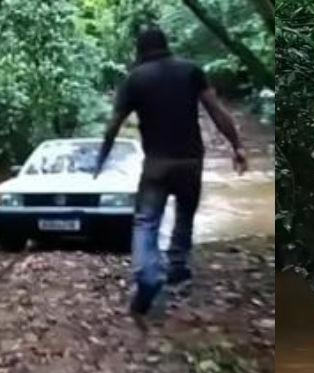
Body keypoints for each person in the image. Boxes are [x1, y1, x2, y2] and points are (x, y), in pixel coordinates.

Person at [94, 25, 247, 329]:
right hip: (190, 162)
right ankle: (177, 271)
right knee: (184, 217)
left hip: (156, 166)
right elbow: (217, 112)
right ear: (167, 45)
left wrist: (101, 158)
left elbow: (113, 125)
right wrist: (237, 146)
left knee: (146, 221)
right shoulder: (191, 71)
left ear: (140, 50)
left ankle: (148, 276)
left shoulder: (134, 80)